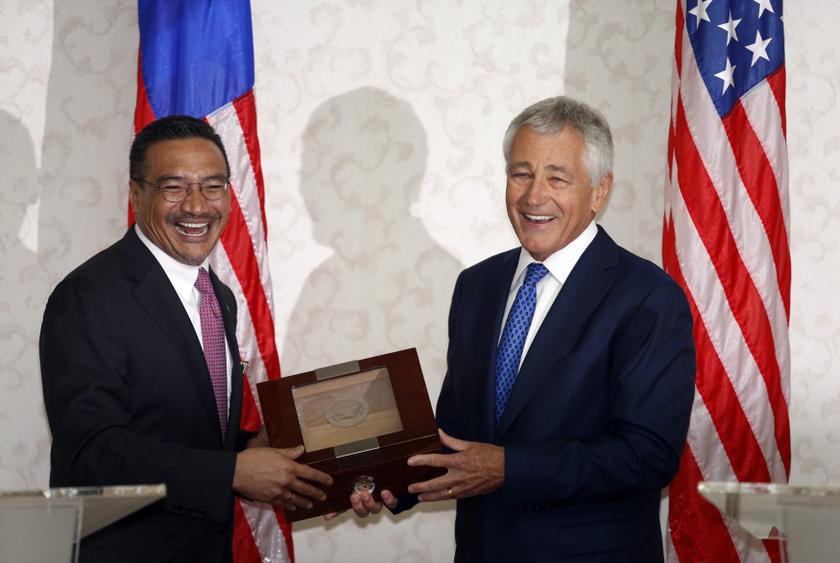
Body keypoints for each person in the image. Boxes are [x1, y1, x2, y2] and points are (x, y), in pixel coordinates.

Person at [349, 96, 696, 562]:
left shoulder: (648, 297)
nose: (534, 196)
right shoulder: (477, 286)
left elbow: (647, 454)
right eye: (521, 173)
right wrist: (386, 483)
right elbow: (457, 432)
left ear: (599, 190)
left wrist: (509, 469)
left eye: (558, 177)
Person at [40, 115, 332, 563]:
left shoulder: (219, 297)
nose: (197, 206)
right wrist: (232, 471)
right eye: (174, 187)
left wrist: (254, 447)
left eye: (213, 187)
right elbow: (90, 452)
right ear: (137, 194)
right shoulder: (89, 296)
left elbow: (183, 427)